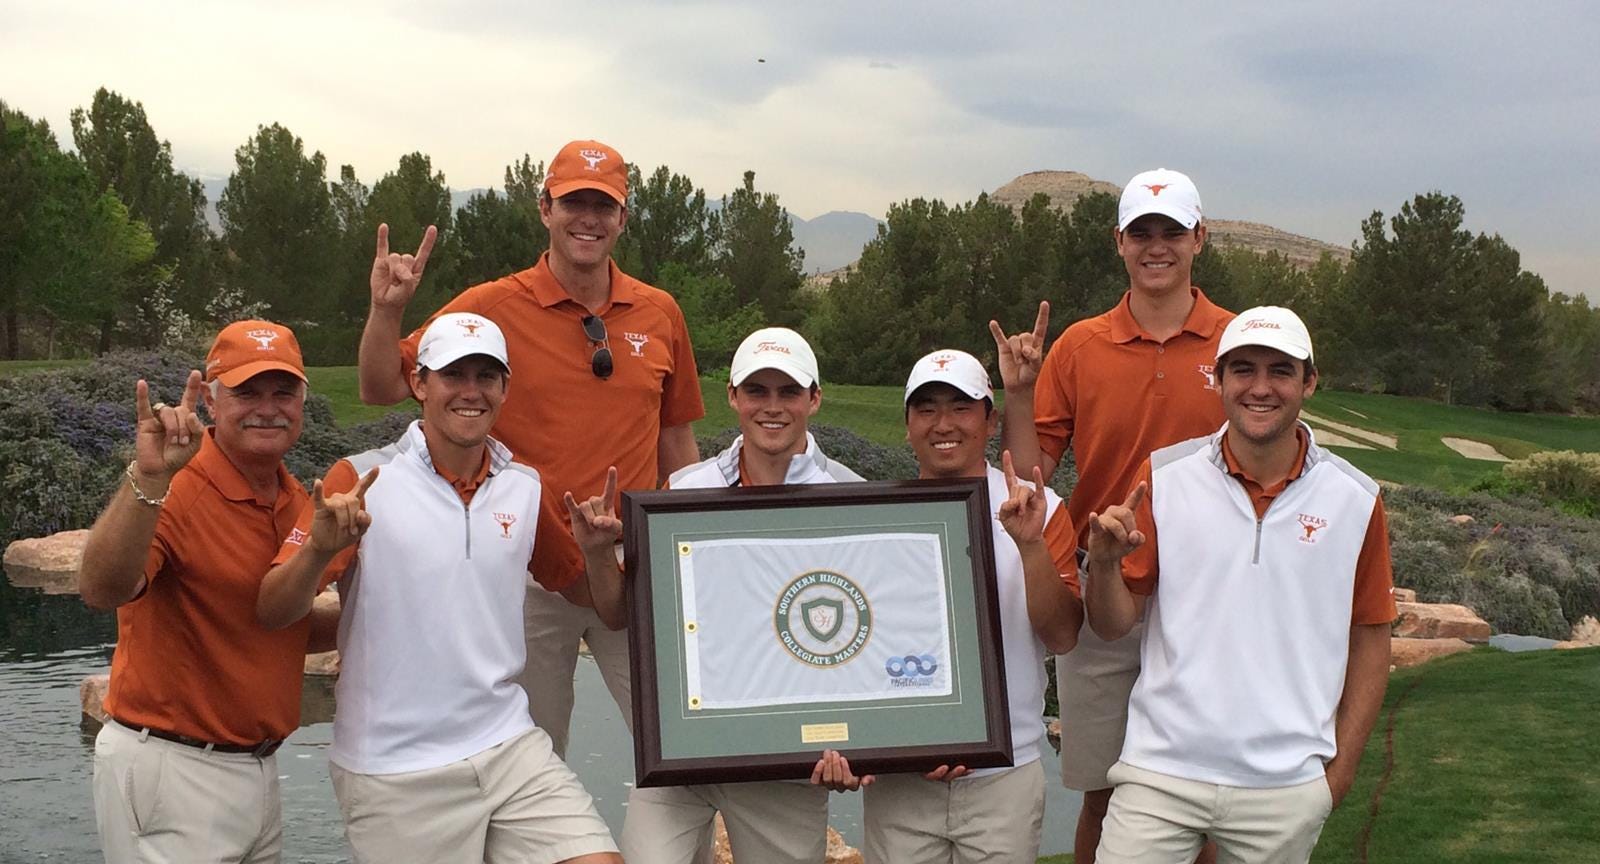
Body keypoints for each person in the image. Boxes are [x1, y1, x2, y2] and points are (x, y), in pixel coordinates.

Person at [356, 138, 704, 758]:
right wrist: (387, 312)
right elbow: (382, 386)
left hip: (634, 566)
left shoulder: (660, 312)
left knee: (682, 741)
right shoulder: (491, 306)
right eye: (574, 203)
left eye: (603, 205)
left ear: (623, 218)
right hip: (527, 569)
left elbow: (675, 436)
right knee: (527, 755)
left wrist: (697, 547)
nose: (588, 219)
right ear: (545, 208)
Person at [259, 313, 622, 864]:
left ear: (505, 389)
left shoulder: (524, 487)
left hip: (509, 747)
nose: (471, 391)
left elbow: (592, 600)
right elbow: (273, 611)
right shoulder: (360, 481)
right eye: (453, 374)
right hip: (395, 768)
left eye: (486, 376)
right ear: (420, 383)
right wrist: (316, 551)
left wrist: (597, 555)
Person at [1083, 307, 1394, 863]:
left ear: (1309, 382)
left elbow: (1371, 636)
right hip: (1161, 772)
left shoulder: (1354, 499)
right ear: (1219, 380)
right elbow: (1112, 624)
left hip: (1285, 787)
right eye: (1243, 369)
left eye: (1281, 371)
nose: (1260, 387)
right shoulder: (1165, 477)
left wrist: (1339, 774)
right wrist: (1104, 567)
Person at [1000, 168, 1234, 863]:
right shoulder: (1080, 346)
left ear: (1199, 238)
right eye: (1141, 233)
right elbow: (1032, 475)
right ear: (1119, 242)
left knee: (1204, 800)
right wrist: (1019, 397)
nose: (1156, 246)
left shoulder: (1235, 343)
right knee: (1103, 797)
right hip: (1106, 590)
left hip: (1207, 599)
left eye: (1171, 232)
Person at [567, 327, 863, 863]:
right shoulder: (684, 492)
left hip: (784, 766)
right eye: (756, 390)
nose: (772, 406)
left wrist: (862, 739)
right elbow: (619, 614)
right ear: (732, 395)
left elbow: (864, 640)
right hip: (684, 756)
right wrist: (596, 553)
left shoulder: (856, 500)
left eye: (789, 391)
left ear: (815, 398)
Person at [80, 320, 329, 863]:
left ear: (302, 403)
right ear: (212, 402)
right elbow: (101, 589)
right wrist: (149, 479)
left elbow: (268, 625)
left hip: (258, 770)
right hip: (173, 769)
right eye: (247, 392)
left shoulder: (295, 498)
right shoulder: (178, 485)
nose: (268, 408)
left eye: (283, 392)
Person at [821, 348, 1082, 864]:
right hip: (903, 777)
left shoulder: (1039, 507)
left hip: (1004, 775)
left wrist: (1030, 546)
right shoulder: (872, 515)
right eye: (927, 409)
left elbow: (1063, 635)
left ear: (990, 421)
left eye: (961, 407)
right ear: (907, 426)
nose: (944, 424)